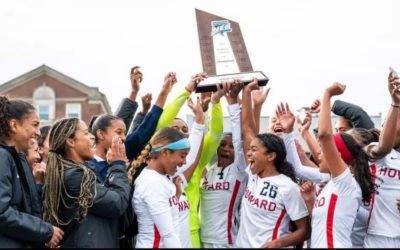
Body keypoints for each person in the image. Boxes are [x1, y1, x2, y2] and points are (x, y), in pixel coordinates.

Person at [237, 79, 310, 248]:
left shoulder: (288, 187)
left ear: (270, 156)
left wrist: (278, 243)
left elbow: (305, 231)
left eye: (254, 150)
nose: (248, 153)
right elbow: (247, 128)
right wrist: (246, 93)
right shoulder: (252, 173)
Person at [42, 118, 130, 248]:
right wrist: (118, 165)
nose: (92, 137)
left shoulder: (82, 172)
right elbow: (117, 203)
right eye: (86, 133)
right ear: (71, 142)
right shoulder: (74, 176)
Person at [309, 82, 373, 248]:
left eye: (325, 150)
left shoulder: (345, 182)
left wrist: (327, 94)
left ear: (337, 156)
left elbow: (324, 135)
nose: (319, 154)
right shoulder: (334, 184)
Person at [0, 96, 63, 248]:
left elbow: (28, 209)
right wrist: (46, 231)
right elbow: (2, 213)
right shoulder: (2, 156)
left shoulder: (17, 158)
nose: (38, 132)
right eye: (34, 125)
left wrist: (40, 239)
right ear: (14, 125)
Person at [199, 80, 248, 247]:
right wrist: (205, 109)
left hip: (226, 242)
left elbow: (239, 138)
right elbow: (204, 139)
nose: (226, 149)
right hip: (201, 239)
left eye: (231, 146)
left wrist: (233, 103)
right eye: (222, 145)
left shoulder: (239, 170)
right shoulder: (207, 169)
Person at [130, 127, 191, 248]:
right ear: (165, 152)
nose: (184, 162)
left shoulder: (162, 178)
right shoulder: (152, 182)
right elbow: (167, 234)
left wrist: (177, 196)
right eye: (182, 155)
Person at [363, 72, 400, 247]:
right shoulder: (374, 149)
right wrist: (395, 103)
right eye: (385, 123)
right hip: (377, 237)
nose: (387, 127)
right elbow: (383, 147)